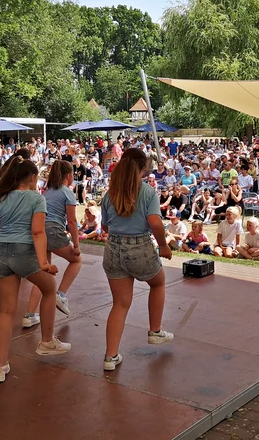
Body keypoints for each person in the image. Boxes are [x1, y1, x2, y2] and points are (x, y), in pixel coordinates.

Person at [0, 157, 71, 383]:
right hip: (24, 251)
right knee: (50, 289)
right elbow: (37, 232)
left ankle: (0, 365)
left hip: (1, 251)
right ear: (33, 178)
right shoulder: (36, 198)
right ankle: (46, 341)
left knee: (6, 311)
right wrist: (43, 262)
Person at [101, 148, 174, 372]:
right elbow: (155, 222)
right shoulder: (147, 192)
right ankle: (155, 330)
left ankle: (110, 357)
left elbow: (104, 226)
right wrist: (163, 245)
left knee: (120, 304)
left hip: (113, 249)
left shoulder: (109, 193)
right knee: (158, 282)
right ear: (143, 169)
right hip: (139, 246)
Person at [24, 160, 82, 327]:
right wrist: (76, 244)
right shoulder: (67, 193)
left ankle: (29, 315)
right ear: (69, 176)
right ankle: (61, 294)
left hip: (40, 231)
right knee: (76, 260)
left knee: (44, 273)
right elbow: (71, 221)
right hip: (54, 230)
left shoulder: (48, 191)